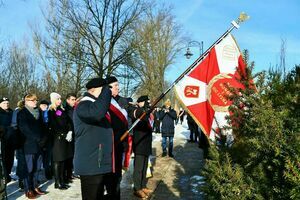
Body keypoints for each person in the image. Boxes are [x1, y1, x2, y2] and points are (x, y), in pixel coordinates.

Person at [73, 77, 114, 200]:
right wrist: (106, 91)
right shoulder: (83, 105)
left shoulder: (93, 104)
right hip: (91, 164)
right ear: (92, 90)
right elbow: (97, 113)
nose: (107, 92)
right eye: (104, 89)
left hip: (98, 162)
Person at [17, 94, 47, 198]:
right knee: (29, 168)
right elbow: (25, 129)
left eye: (36, 100)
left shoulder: (39, 112)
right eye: (33, 100)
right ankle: (28, 189)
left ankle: (35, 186)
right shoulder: (22, 113)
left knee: (37, 167)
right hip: (28, 145)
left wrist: (44, 139)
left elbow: (43, 127)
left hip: (39, 145)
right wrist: (38, 139)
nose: (36, 102)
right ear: (26, 101)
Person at [106, 76, 129, 200]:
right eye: (115, 86)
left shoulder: (120, 101)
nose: (118, 88)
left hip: (120, 143)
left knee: (118, 176)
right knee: (111, 178)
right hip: (111, 144)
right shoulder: (105, 102)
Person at [48, 92, 73, 190]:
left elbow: (68, 121)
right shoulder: (51, 111)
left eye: (60, 99)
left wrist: (70, 131)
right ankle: (57, 182)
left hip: (65, 138)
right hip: (57, 138)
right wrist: (63, 133)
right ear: (53, 100)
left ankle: (62, 180)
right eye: (57, 99)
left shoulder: (61, 110)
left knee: (63, 160)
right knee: (57, 160)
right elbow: (54, 125)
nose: (59, 101)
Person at [130, 95, 153, 199]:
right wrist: (144, 109)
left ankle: (143, 186)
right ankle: (137, 188)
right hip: (139, 143)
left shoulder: (147, 113)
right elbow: (139, 115)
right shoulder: (136, 111)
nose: (147, 104)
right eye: (145, 102)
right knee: (138, 168)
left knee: (144, 167)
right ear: (140, 102)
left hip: (146, 143)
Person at [63, 93, 77, 183]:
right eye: (72, 99)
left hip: (75, 135)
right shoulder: (63, 109)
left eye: (75, 99)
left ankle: (69, 173)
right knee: (67, 156)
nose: (74, 101)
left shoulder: (74, 109)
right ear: (67, 100)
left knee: (72, 156)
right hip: (67, 136)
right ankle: (65, 175)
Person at [0, 97, 14, 184]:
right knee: (4, 158)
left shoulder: (11, 112)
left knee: (10, 158)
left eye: (7, 103)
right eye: (4, 103)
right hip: (2, 138)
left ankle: (8, 173)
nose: (6, 104)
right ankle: (5, 175)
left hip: (11, 139)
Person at [39, 99, 52, 180]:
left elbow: (60, 114)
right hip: (40, 138)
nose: (44, 106)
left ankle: (48, 172)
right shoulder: (37, 112)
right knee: (40, 156)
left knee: (47, 156)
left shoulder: (50, 112)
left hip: (49, 137)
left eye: (46, 105)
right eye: (42, 105)